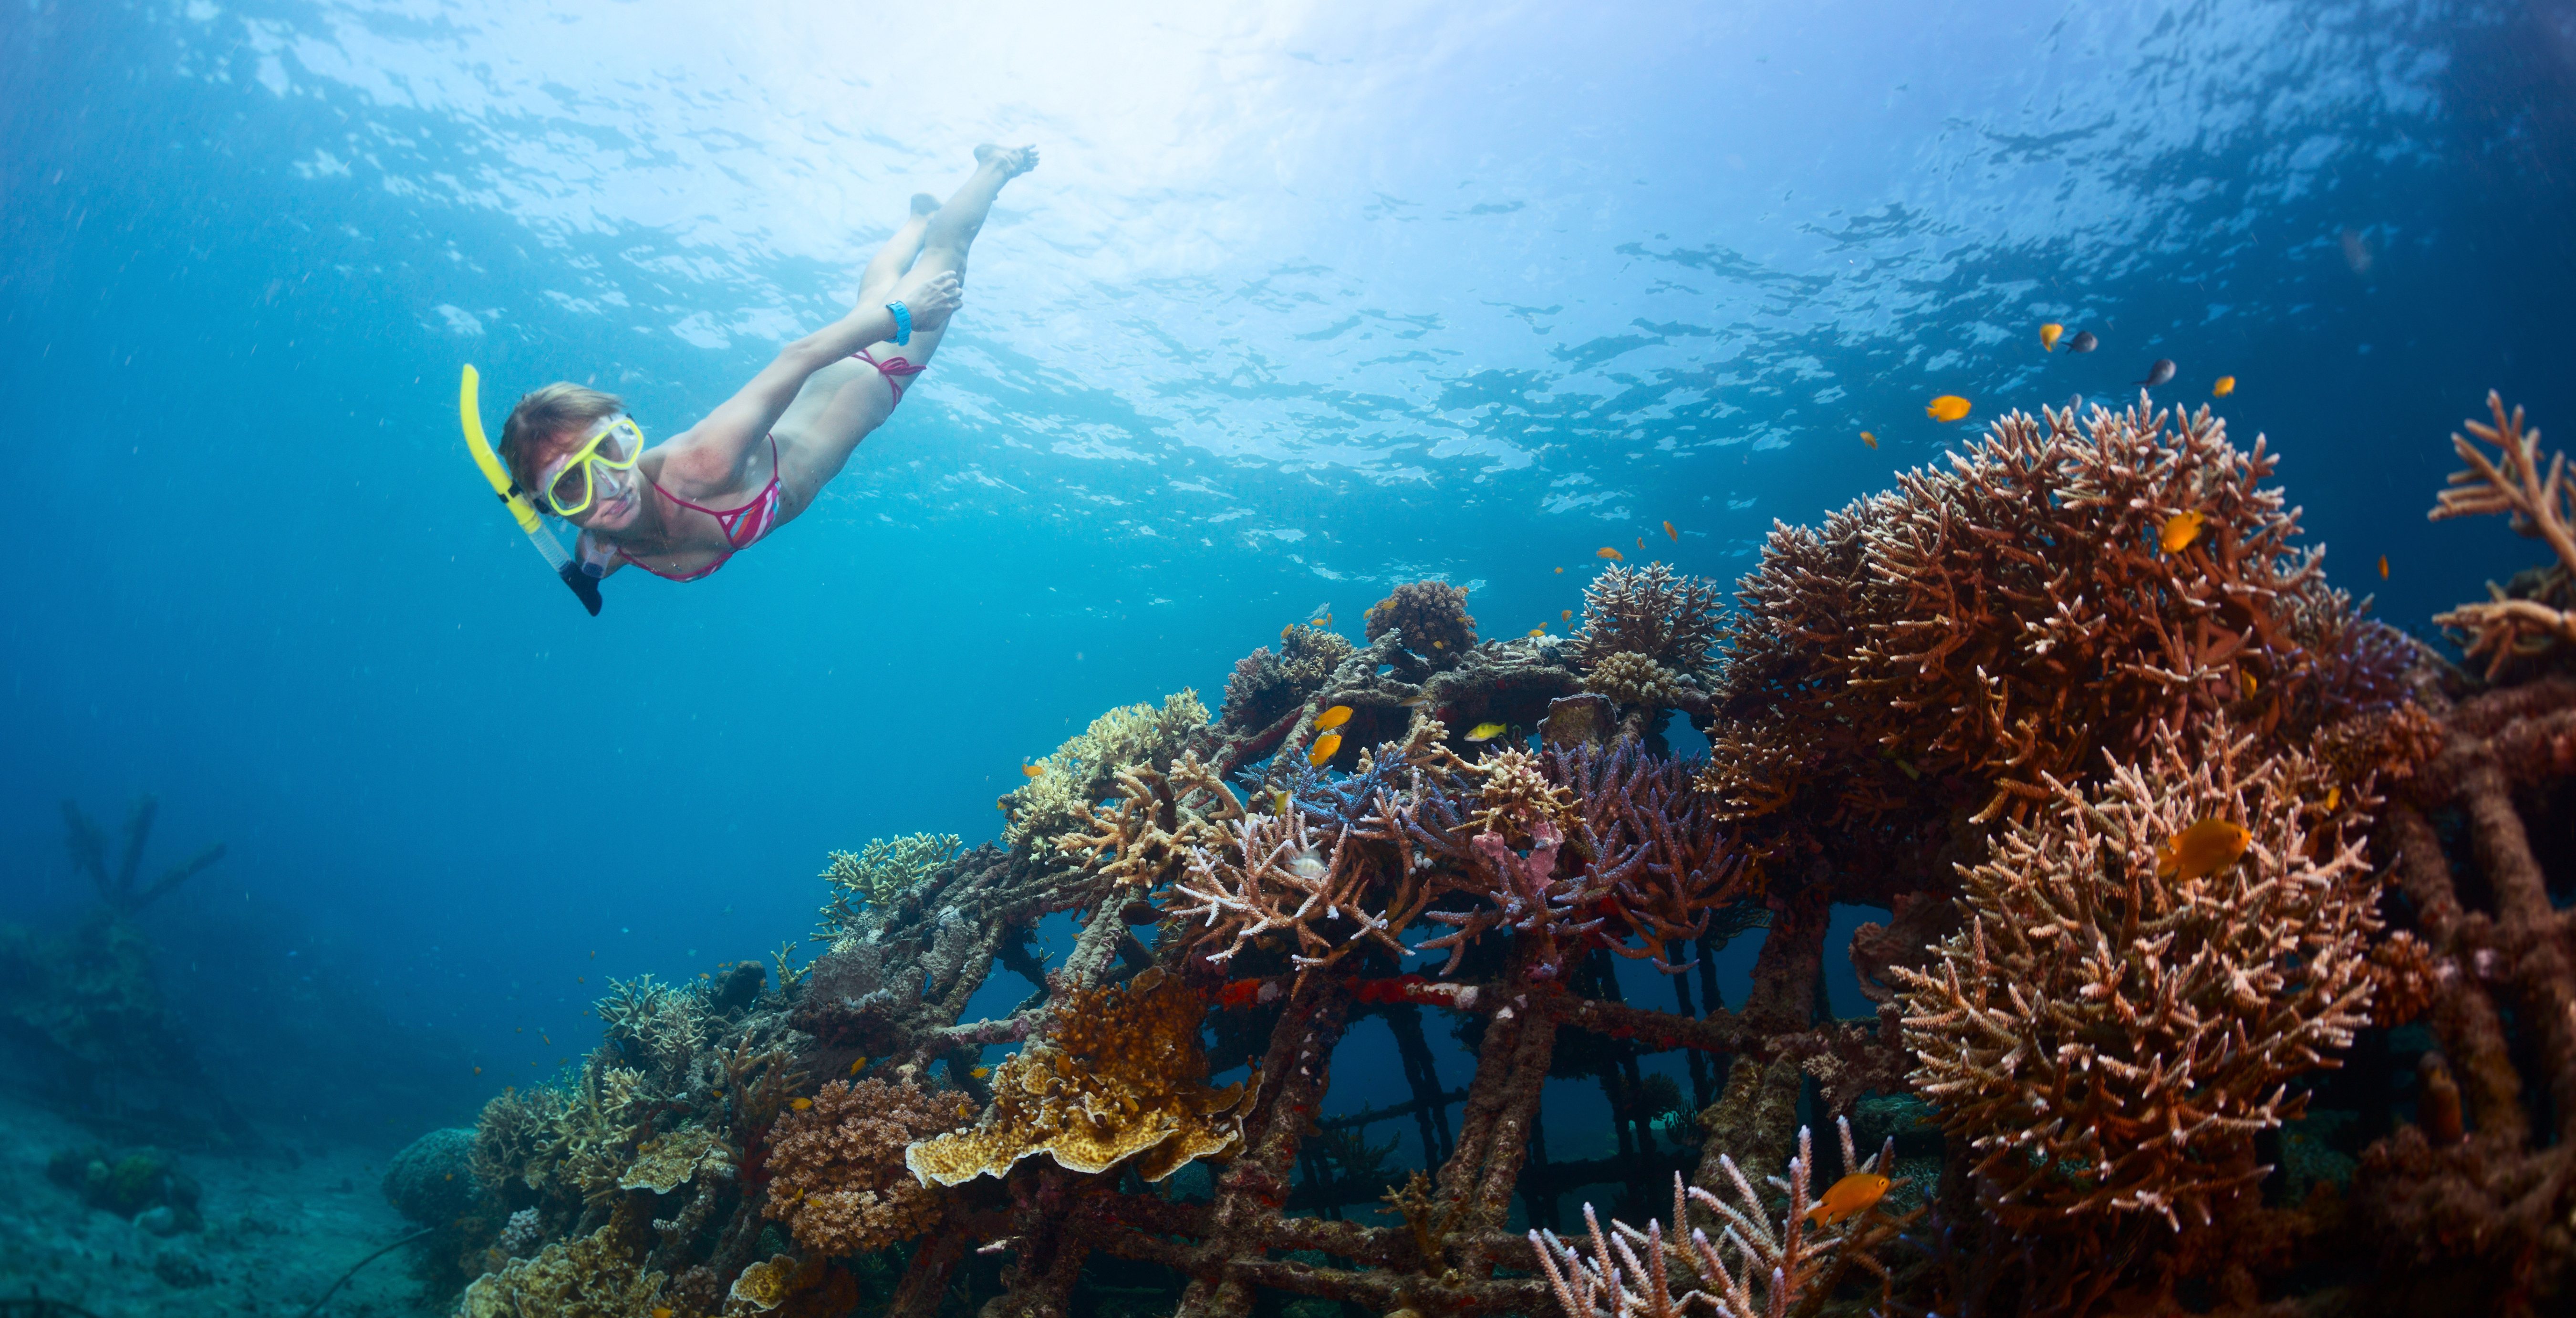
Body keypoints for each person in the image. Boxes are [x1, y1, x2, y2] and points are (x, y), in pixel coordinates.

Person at [495, 144, 1037, 586]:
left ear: (626, 436)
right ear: (549, 507)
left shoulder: (701, 463)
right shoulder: (599, 543)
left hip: (879, 367)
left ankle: (996, 163)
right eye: (572, 487)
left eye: (609, 453)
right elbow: (595, 562)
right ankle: (917, 219)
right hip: (840, 367)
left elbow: (798, 358)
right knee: (870, 294)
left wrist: (904, 315)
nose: (609, 488)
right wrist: (590, 570)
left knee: (949, 255)